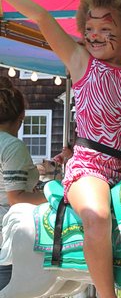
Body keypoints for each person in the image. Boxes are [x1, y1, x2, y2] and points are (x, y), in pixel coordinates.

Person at [0, 0, 121, 298]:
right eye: (90, 29)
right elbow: (43, 18)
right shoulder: (82, 63)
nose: (95, 36)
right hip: (89, 169)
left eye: (106, 30)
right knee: (97, 216)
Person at [0, 76, 46, 289]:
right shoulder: (12, 146)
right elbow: (16, 198)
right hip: (6, 237)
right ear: (21, 117)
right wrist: (55, 194)